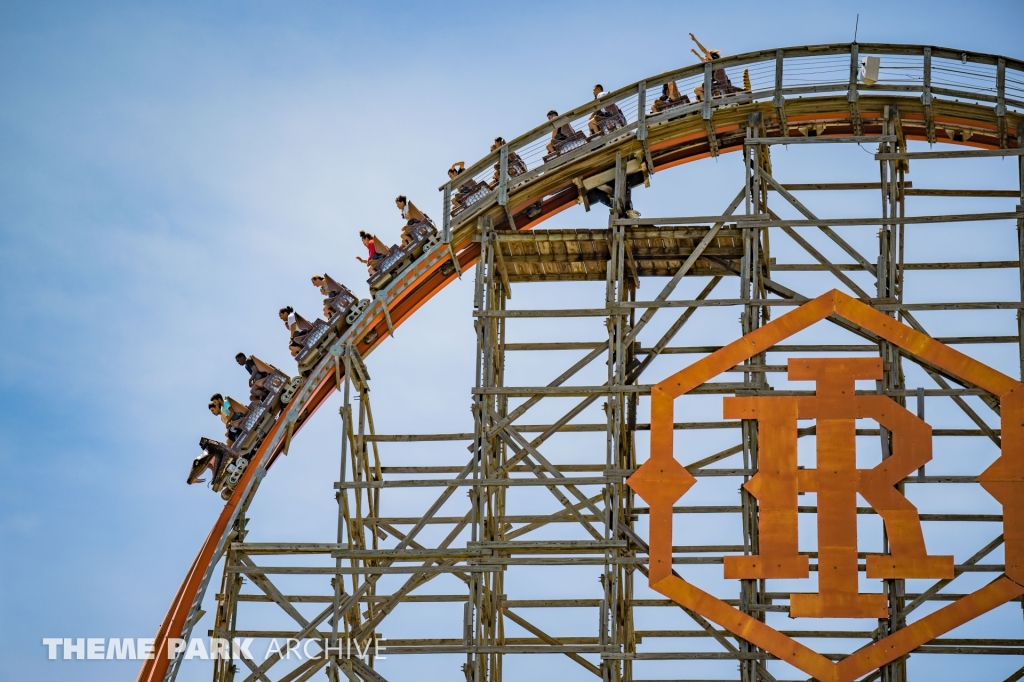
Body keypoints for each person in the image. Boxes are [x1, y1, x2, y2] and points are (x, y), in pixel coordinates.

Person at [690, 34, 742, 101]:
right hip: (717, 83)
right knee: (698, 90)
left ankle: (705, 103)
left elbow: (704, 50)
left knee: (696, 90)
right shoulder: (714, 62)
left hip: (716, 84)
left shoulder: (713, 59)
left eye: (706, 56)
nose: (705, 58)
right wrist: (696, 53)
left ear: (709, 56)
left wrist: (695, 40)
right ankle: (705, 101)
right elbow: (703, 59)